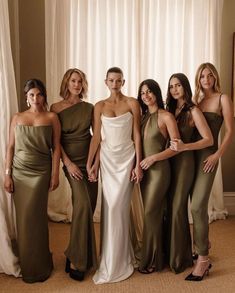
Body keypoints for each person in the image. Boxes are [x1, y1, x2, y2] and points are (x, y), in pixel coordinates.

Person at [86, 67, 142, 284]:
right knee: (110, 209)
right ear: (106, 82)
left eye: (119, 80)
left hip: (127, 158)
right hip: (108, 162)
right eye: (111, 80)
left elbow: (137, 134)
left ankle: (121, 258)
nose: (115, 83)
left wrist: (138, 164)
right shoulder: (99, 106)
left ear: (124, 81)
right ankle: (110, 258)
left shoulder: (132, 103)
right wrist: (91, 164)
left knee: (120, 207)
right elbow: (96, 138)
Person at [180, 63, 234, 281]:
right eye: (202, 75)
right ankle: (202, 243)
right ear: (198, 79)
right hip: (189, 158)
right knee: (191, 203)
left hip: (208, 159)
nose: (206, 78)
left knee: (197, 205)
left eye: (210, 74)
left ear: (215, 77)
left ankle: (203, 259)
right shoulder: (196, 102)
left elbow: (230, 131)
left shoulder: (223, 98)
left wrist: (217, 155)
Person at [4, 79, 61, 283]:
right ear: (26, 97)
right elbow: (10, 147)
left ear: (44, 96)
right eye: (31, 95)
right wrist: (7, 174)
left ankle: (42, 265)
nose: (36, 99)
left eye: (39, 95)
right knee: (24, 219)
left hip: (41, 171)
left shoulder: (52, 117)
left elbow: (56, 148)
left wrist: (55, 174)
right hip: (20, 172)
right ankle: (28, 266)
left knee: (37, 218)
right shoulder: (17, 117)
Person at [50, 68, 98, 281]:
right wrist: (67, 164)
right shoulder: (56, 108)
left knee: (88, 208)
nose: (77, 85)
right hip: (72, 164)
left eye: (80, 81)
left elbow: (97, 137)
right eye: (73, 81)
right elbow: (55, 142)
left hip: (90, 164)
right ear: (66, 83)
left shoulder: (90, 107)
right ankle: (79, 260)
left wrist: (94, 164)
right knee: (82, 205)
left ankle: (73, 253)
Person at [166, 73, 213, 274]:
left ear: (185, 87)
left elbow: (209, 139)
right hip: (169, 162)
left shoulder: (193, 110)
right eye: (171, 86)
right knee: (170, 206)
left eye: (178, 85)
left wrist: (185, 147)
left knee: (180, 206)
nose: (175, 89)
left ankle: (187, 257)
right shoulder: (169, 109)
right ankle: (179, 251)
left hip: (185, 163)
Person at [137, 79, 180, 273]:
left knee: (150, 213)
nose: (146, 96)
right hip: (145, 173)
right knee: (152, 214)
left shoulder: (166, 116)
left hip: (160, 171)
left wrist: (153, 158)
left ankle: (152, 260)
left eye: (149, 92)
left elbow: (176, 147)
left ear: (157, 93)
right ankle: (157, 255)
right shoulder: (143, 117)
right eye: (143, 93)